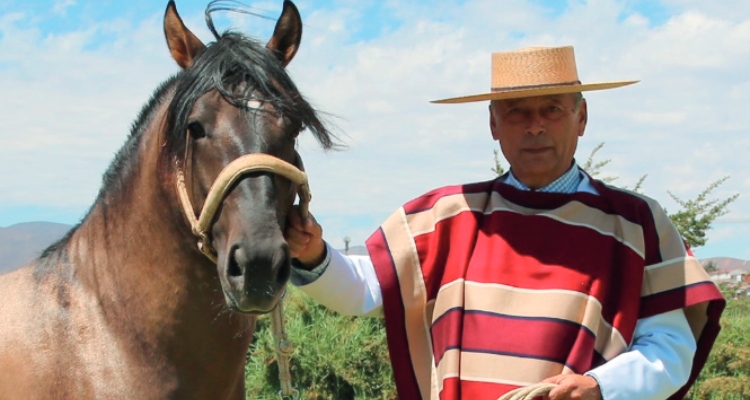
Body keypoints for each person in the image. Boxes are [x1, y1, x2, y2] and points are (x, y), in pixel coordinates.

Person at [284, 46, 725, 400]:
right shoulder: (445, 216)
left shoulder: (635, 223)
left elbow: (670, 348)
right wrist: (313, 256)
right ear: (493, 124)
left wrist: (601, 387)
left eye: (551, 109)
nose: (534, 126)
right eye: (516, 111)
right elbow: (365, 289)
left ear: (582, 118)